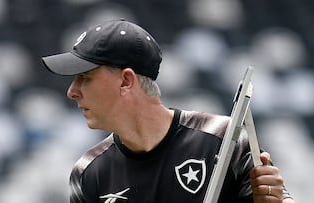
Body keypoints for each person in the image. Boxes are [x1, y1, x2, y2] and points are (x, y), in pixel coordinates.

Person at [42, 19, 295, 203]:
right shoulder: (88, 172)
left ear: (126, 81)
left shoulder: (223, 138)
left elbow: (280, 200)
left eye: (85, 77)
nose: (72, 91)